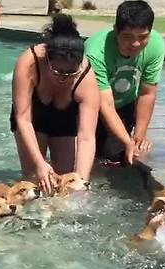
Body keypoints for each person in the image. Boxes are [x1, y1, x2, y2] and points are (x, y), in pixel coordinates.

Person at [10, 14, 99, 193]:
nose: (63, 78)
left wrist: (82, 182)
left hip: (65, 121)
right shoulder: (29, 62)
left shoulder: (86, 77)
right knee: (35, 180)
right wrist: (40, 164)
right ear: (47, 60)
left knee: (68, 182)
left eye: (70, 73)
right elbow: (23, 118)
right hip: (32, 118)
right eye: (57, 71)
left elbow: (87, 137)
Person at [85, 0, 165, 165]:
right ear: (116, 30)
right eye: (127, 37)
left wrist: (139, 137)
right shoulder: (96, 51)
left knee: (118, 156)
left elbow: (147, 92)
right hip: (92, 104)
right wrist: (127, 142)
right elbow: (105, 104)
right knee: (91, 154)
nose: (135, 44)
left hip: (125, 102)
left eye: (142, 37)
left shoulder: (156, 45)